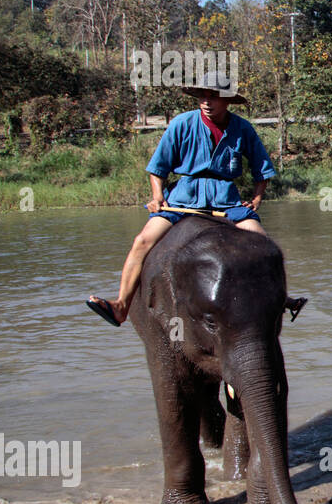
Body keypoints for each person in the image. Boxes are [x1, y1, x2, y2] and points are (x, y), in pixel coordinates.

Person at [86, 72, 282, 327]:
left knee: (265, 247)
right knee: (142, 241)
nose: (206, 102)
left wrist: (256, 200)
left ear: (227, 101)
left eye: (213, 97)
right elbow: (158, 168)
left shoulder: (243, 128)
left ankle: (279, 302)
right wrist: (158, 197)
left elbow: (262, 169)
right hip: (183, 198)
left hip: (226, 201)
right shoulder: (182, 124)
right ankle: (121, 305)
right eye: (202, 96)